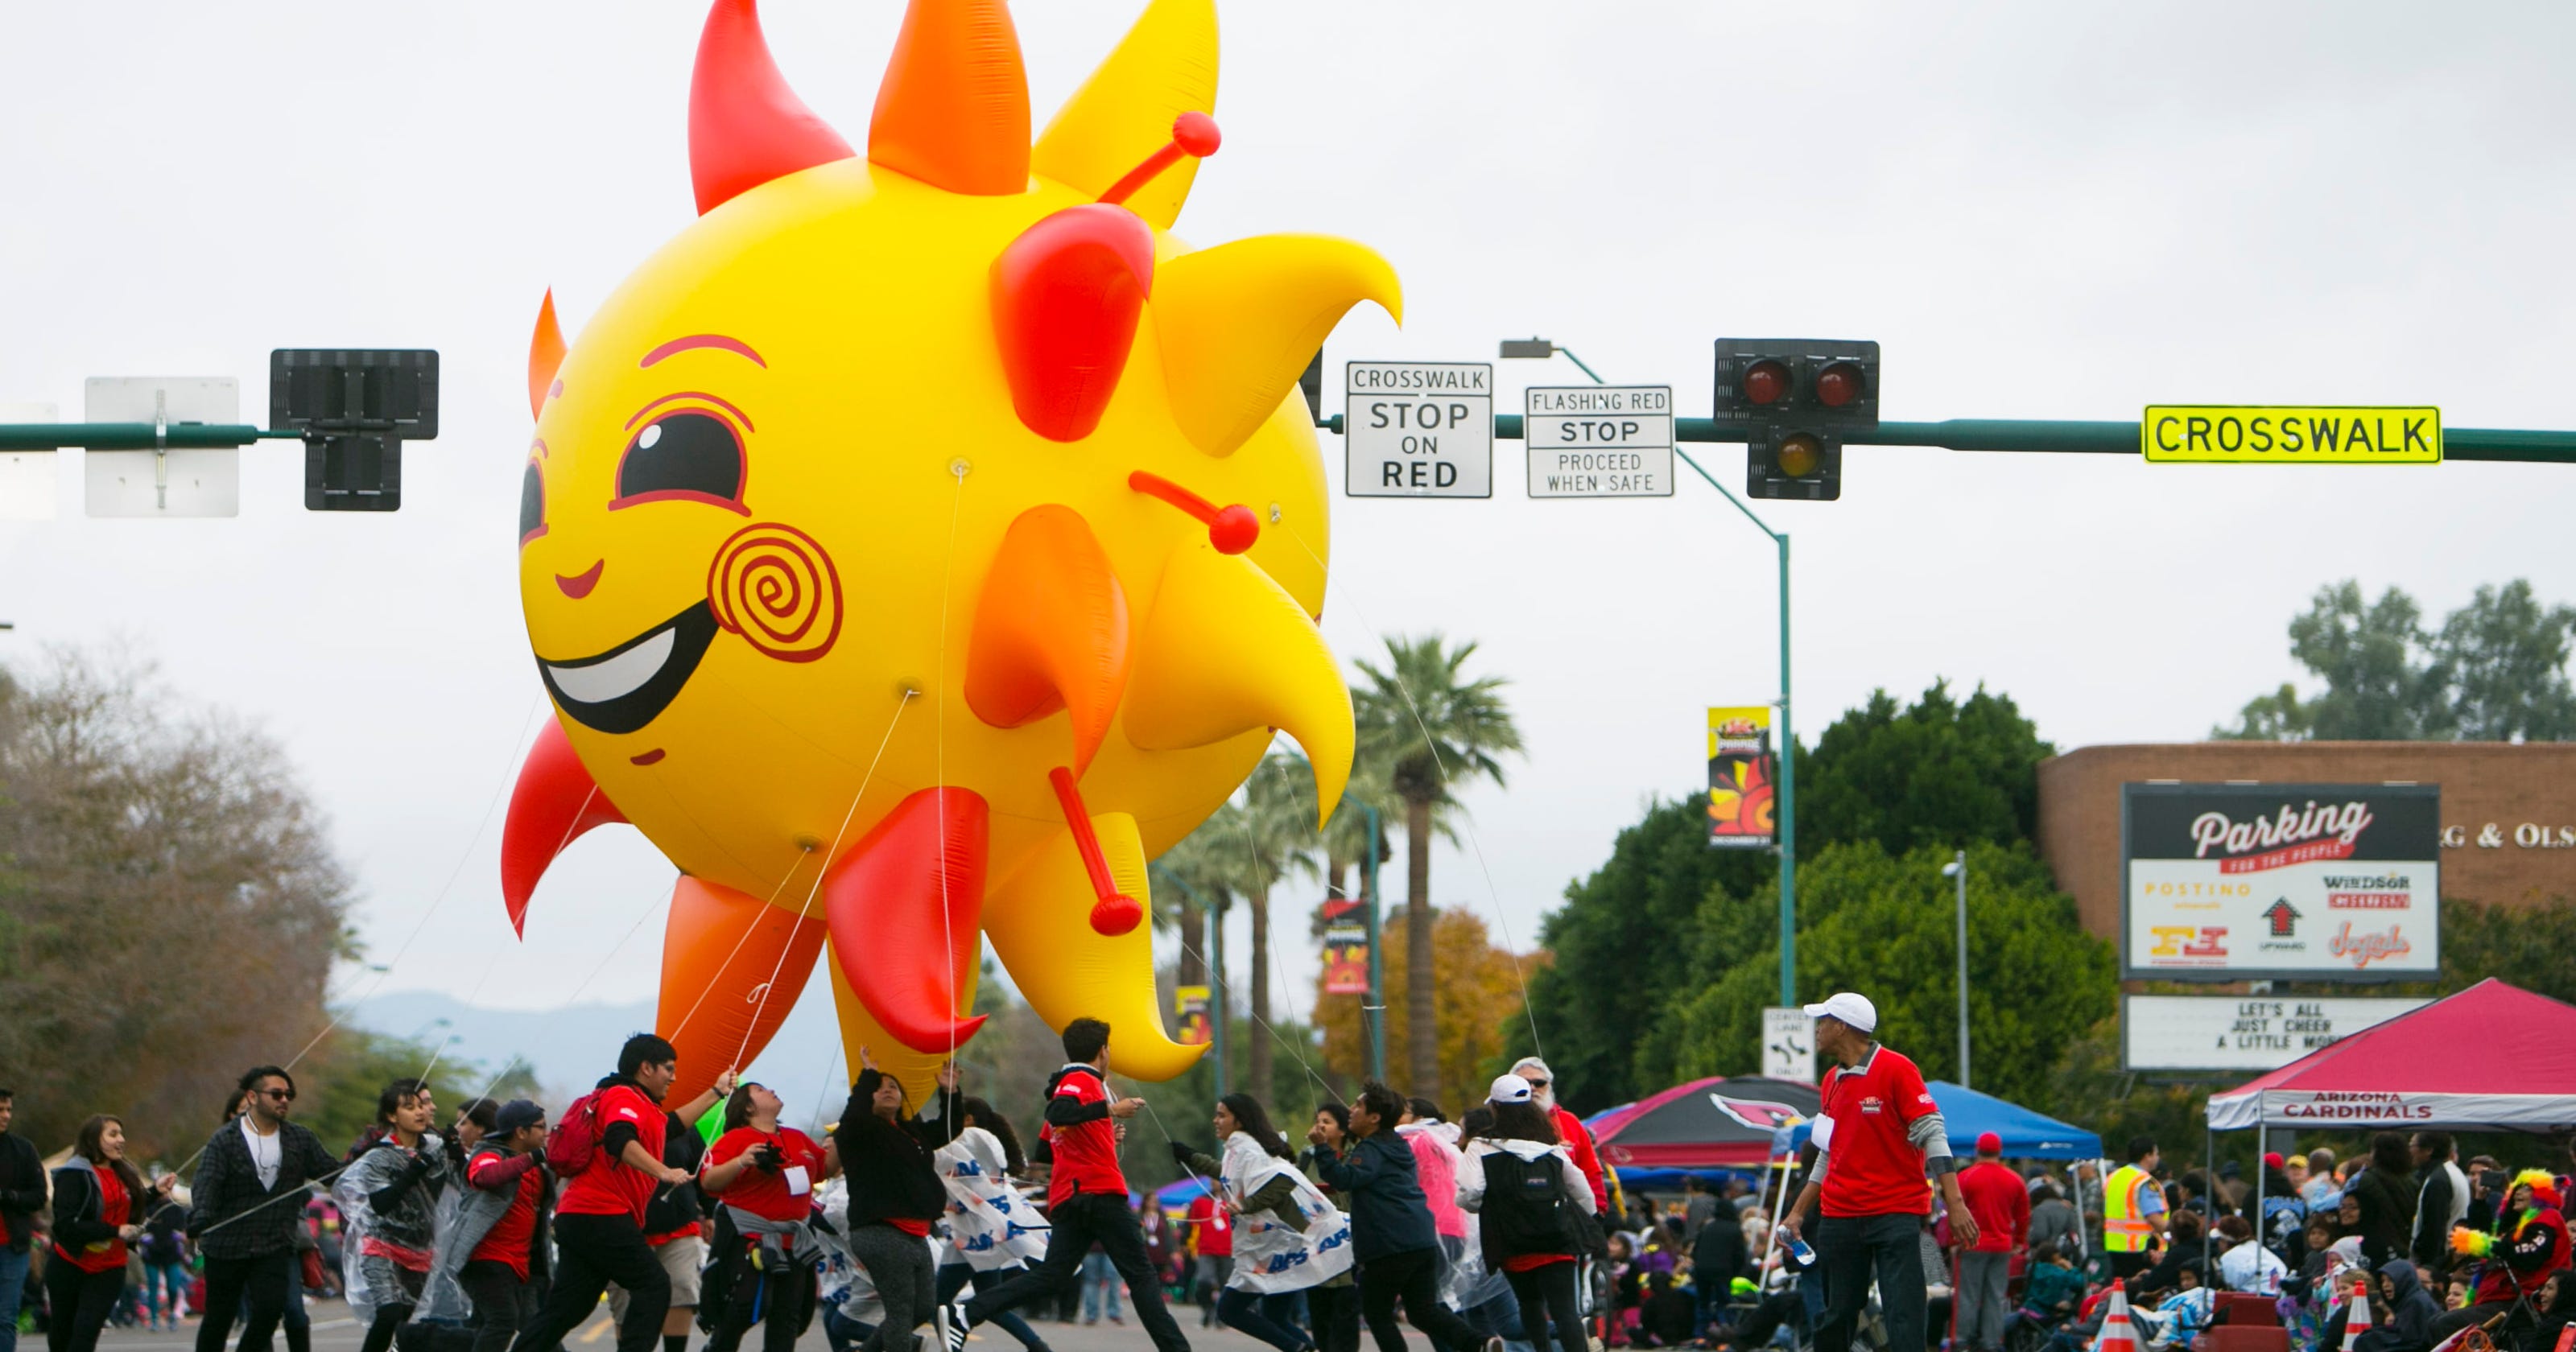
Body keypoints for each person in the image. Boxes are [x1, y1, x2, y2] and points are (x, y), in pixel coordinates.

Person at [944, 1019, 1189, 1352]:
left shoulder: (1074, 1083)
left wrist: (1103, 1134)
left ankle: (966, 1312)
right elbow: (1060, 1112)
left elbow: (1047, 1149)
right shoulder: (1079, 1079)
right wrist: (1110, 1109)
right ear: (1103, 1050)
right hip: (1098, 1193)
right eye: (1110, 1047)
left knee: (1053, 1276)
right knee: (1143, 1277)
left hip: (1071, 1197)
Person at [1776, 993, 1978, 1352]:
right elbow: (1827, 1153)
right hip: (1840, 1216)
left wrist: (1956, 1203)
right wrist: (1797, 1213)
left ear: (1842, 1027)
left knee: (1904, 1311)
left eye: (1823, 1021)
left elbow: (1932, 1133)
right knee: (1837, 1314)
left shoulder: (1897, 1069)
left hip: (1895, 1213)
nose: (1817, 1029)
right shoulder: (1831, 1081)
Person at [509, 1034, 698, 1352]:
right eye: (669, 1068)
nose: (674, 1077)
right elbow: (618, 1139)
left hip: (579, 1217)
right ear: (646, 1068)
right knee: (653, 1284)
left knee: (567, 1308)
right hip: (600, 1215)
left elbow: (671, 1127)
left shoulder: (643, 1106)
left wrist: (717, 1093)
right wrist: (663, 1172)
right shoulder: (623, 1096)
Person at [1171, 1092, 1347, 1352]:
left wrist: (1246, 1205)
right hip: (1283, 1246)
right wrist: (1191, 1156)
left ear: (1239, 1121)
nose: (1215, 1120)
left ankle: (1298, 1349)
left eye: (1221, 1115)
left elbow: (1283, 1180)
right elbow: (1229, 1175)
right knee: (1274, 1317)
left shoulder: (1249, 1150)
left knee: (1229, 1310)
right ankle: (1304, 1349)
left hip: (1275, 1247)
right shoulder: (1240, 1150)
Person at [192, 1066, 342, 1352]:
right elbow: (207, 1182)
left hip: (274, 1242)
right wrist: (201, 1216)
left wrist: (364, 1161)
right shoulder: (225, 1139)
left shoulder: (300, 1139)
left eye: (288, 1095)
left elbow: (331, 1172)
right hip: (225, 1245)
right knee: (219, 1319)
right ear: (252, 1096)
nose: (284, 1099)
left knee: (270, 1310)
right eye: (276, 1094)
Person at [1455, 1074, 1591, 1352]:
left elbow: (1471, 1192)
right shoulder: (1551, 1147)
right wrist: (1588, 1219)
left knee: (1529, 1304)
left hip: (1514, 1241)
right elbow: (1581, 1188)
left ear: (1495, 1107)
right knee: (1565, 1312)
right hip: (1557, 1240)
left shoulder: (1482, 1146)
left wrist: (1481, 1207)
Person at [835, 1055, 960, 1352]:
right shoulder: (859, 1132)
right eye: (879, 1088)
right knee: (901, 1312)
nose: (887, 1090)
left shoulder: (910, 1132)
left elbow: (948, 1128)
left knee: (922, 1307)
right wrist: (867, 1077)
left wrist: (950, 1092)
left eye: (893, 1086)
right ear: (867, 1097)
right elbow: (853, 1117)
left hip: (916, 1232)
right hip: (882, 1230)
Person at [700, 1081, 835, 1352]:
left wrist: (844, 1140)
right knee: (746, 1305)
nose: (772, 1090)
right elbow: (709, 1181)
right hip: (752, 1239)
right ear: (748, 1106)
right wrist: (742, 1161)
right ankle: (717, 1347)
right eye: (761, 1090)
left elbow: (826, 1169)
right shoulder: (736, 1139)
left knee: (787, 1316)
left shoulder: (796, 1137)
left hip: (794, 1240)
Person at [609, 1066, 737, 1352]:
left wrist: (709, 1211)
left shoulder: (684, 1132)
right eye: (668, 1070)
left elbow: (703, 1171)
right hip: (627, 1227)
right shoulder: (616, 1123)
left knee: (681, 1288)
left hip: (678, 1224)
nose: (672, 1080)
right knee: (626, 1296)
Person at [335, 1079, 456, 1352]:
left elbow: (457, 1187)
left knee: (403, 1322)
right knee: (388, 1313)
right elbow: (381, 1203)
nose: (420, 1112)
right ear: (392, 1116)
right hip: (382, 1247)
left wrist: (456, 1154)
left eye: (421, 1106)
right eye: (409, 1107)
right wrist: (412, 1172)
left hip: (420, 1250)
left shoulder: (435, 1149)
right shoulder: (378, 1156)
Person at [931, 1096, 1051, 1352]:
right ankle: (1038, 1346)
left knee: (938, 1303)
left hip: (971, 1234)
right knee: (989, 1302)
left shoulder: (969, 1139)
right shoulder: (987, 1141)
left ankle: (883, 1344)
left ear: (968, 1119)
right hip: (982, 1232)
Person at [432, 1099, 553, 1352]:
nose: (546, 1133)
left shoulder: (539, 1167)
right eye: (540, 1127)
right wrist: (533, 1157)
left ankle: (413, 1339)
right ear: (521, 1132)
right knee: (502, 1321)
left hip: (522, 1266)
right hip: (485, 1259)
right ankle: (412, 1338)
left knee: (538, 1329)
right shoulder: (488, 1154)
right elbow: (485, 1177)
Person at [50, 1115, 174, 1352]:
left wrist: (154, 1192)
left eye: (121, 1134)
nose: (121, 1140)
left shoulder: (125, 1172)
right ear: (93, 1139)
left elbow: (127, 1206)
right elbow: (66, 1225)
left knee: (85, 1336)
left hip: (110, 1268)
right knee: (61, 1337)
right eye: (113, 1134)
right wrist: (115, 1231)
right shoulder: (74, 1174)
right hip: (70, 1265)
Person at [2435, 1169, 2570, 1338]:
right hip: (2499, 1299)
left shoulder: (2548, 1219)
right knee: (2436, 1321)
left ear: (2543, 1195)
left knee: (2444, 1324)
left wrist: (2484, 1245)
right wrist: (2479, 1201)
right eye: (2517, 1188)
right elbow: (2491, 1236)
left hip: (2521, 1303)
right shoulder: (2518, 1228)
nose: (2518, 1192)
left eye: (2527, 1188)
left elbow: (2527, 1256)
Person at [1954, 1132, 2029, 1352]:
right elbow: (2023, 1216)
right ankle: (1992, 1342)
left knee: (1968, 1295)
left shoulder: (1966, 1177)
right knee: (1995, 1296)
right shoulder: (2015, 1179)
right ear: (2000, 1152)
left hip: (1972, 1244)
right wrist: (2019, 1242)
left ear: (1977, 1150)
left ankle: (1962, 1340)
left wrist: (1953, 1240)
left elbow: (1955, 1209)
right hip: (2002, 1245)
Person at [1506, 1060, 1608, 1217]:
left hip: (1567, 1217)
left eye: (1539, 1083)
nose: (1532, 1088)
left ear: (1549, 1086)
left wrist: (1598, 1211)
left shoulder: (1570, 1122)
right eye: (1524, 1083)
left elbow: (1591, 1170)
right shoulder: (1500, 1125)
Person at [1302, 1105, 1363, 1352]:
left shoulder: (1356, 1157)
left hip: (1349, 1246)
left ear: (1342, 1129)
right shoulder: (1307, 1157)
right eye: (1318, 1121)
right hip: (1316, 1247)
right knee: (1320, 1315)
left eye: (1327, 1121)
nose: (1321, 1126)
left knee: (1345, 1314)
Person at [1397, 1099, 1469, 1271]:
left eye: (1403, 1112)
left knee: (1422, 1294)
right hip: (1457, 1229)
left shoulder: (1411, 1142)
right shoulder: (1444, 1144)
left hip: (1428, 1229)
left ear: (1419, 1119)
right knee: (1441, 1291)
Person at [0, 1090, 43, 1352]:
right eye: (0, 1110)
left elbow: (38, 1195)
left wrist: (9, 1196)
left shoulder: (22, 1149)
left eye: (8, 1110)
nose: (5, 1116)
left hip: (13, 1247)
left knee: (6, 1317)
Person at [2101, 1138, 2167, 1283]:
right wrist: (2172, 1237)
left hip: (2113, 1246)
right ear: (2147, 1156)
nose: (2157, 1158)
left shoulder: (2114, 1177)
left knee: (2119, 1292)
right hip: (2138, 1250)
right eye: (2156, 1154)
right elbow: (2154, 1217)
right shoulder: (2144, 1182)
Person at [2351, 1134, 2418, 1268]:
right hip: (2404, 1245)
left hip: (2374, 1245)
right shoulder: (2413, 1181)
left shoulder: (2365, 1180)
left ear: (2376, 1153)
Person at [138, 1177, 191, 1333]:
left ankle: (172, 1315)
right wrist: (145, 1238)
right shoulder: (149, 1208)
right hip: (152, 1253)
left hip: (171, 1253)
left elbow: (184, 1231)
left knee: (173, 1287)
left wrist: (181, 1237)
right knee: (153, 1286)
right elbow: (141, 1228)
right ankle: (154, 1318)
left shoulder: (176, 1209)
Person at [2409, 1133, 2467, 1273]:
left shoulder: (2438, 1180)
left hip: (2438, 1263)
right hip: (2448, 1257)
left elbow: (2434, 1228)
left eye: (2412, 1145)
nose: (2410, 1151)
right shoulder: (2452, 1172)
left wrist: (2429, 1267)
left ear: (2429, 1150)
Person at [2354, 1260, 2442, 1352]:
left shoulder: (2415, 1301)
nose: (2385, 1285)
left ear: (2404, 1279)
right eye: (2383, 1281)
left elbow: (2410, 1340)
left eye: (2390, 1280)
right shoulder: (2411, 1299)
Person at [1184, 1186, 1232, 1327]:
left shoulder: (1233, 1201)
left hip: (1228, 1249)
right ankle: (1207, 1309)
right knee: (1203, 1280)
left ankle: (1221, 1315)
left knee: (1226, 1285)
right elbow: (1192, 1224)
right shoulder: (1201, 1201)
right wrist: (1189, 1245)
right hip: (1206, 1248)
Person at [2214, 1214, 2287, 1294]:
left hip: (2261, 1297)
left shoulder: (2229, 1256)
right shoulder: (2256, 1246)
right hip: (2281, 1293)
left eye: (2219, 1240)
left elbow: (2232, 1286)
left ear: (2225, 1241)